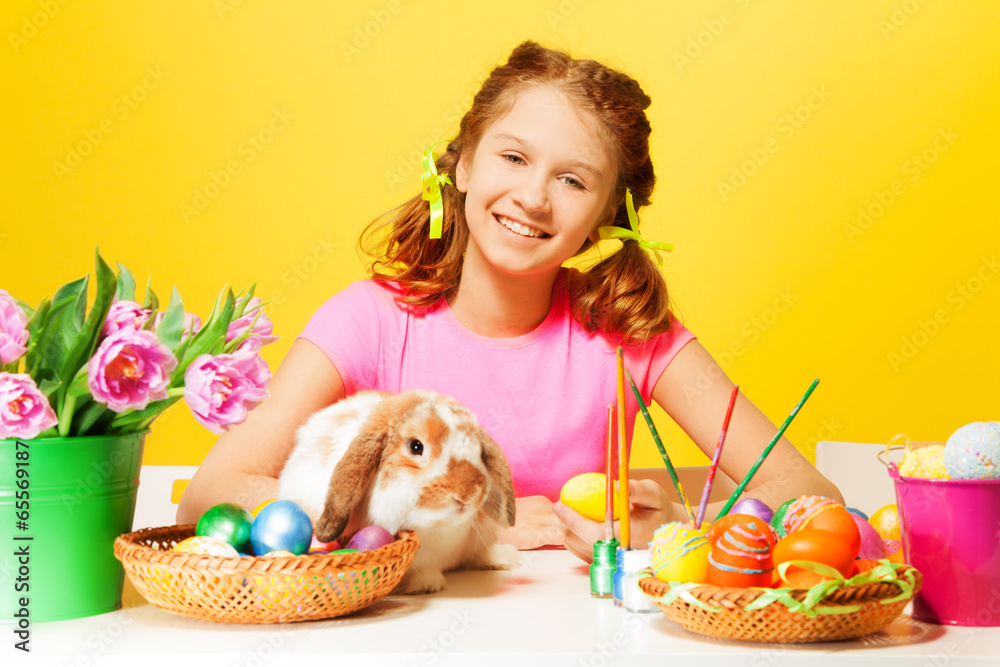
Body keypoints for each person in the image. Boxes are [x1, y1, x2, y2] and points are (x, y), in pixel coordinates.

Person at [177, 41, 843, 560]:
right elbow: (210, 493)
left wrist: (676, 523)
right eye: (514, 158)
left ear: (610, 215)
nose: (533, 196)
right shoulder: (368, 322)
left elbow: (810, 494)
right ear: (463, 165)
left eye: (573, 179)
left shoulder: (629, 333)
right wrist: (472, 524)